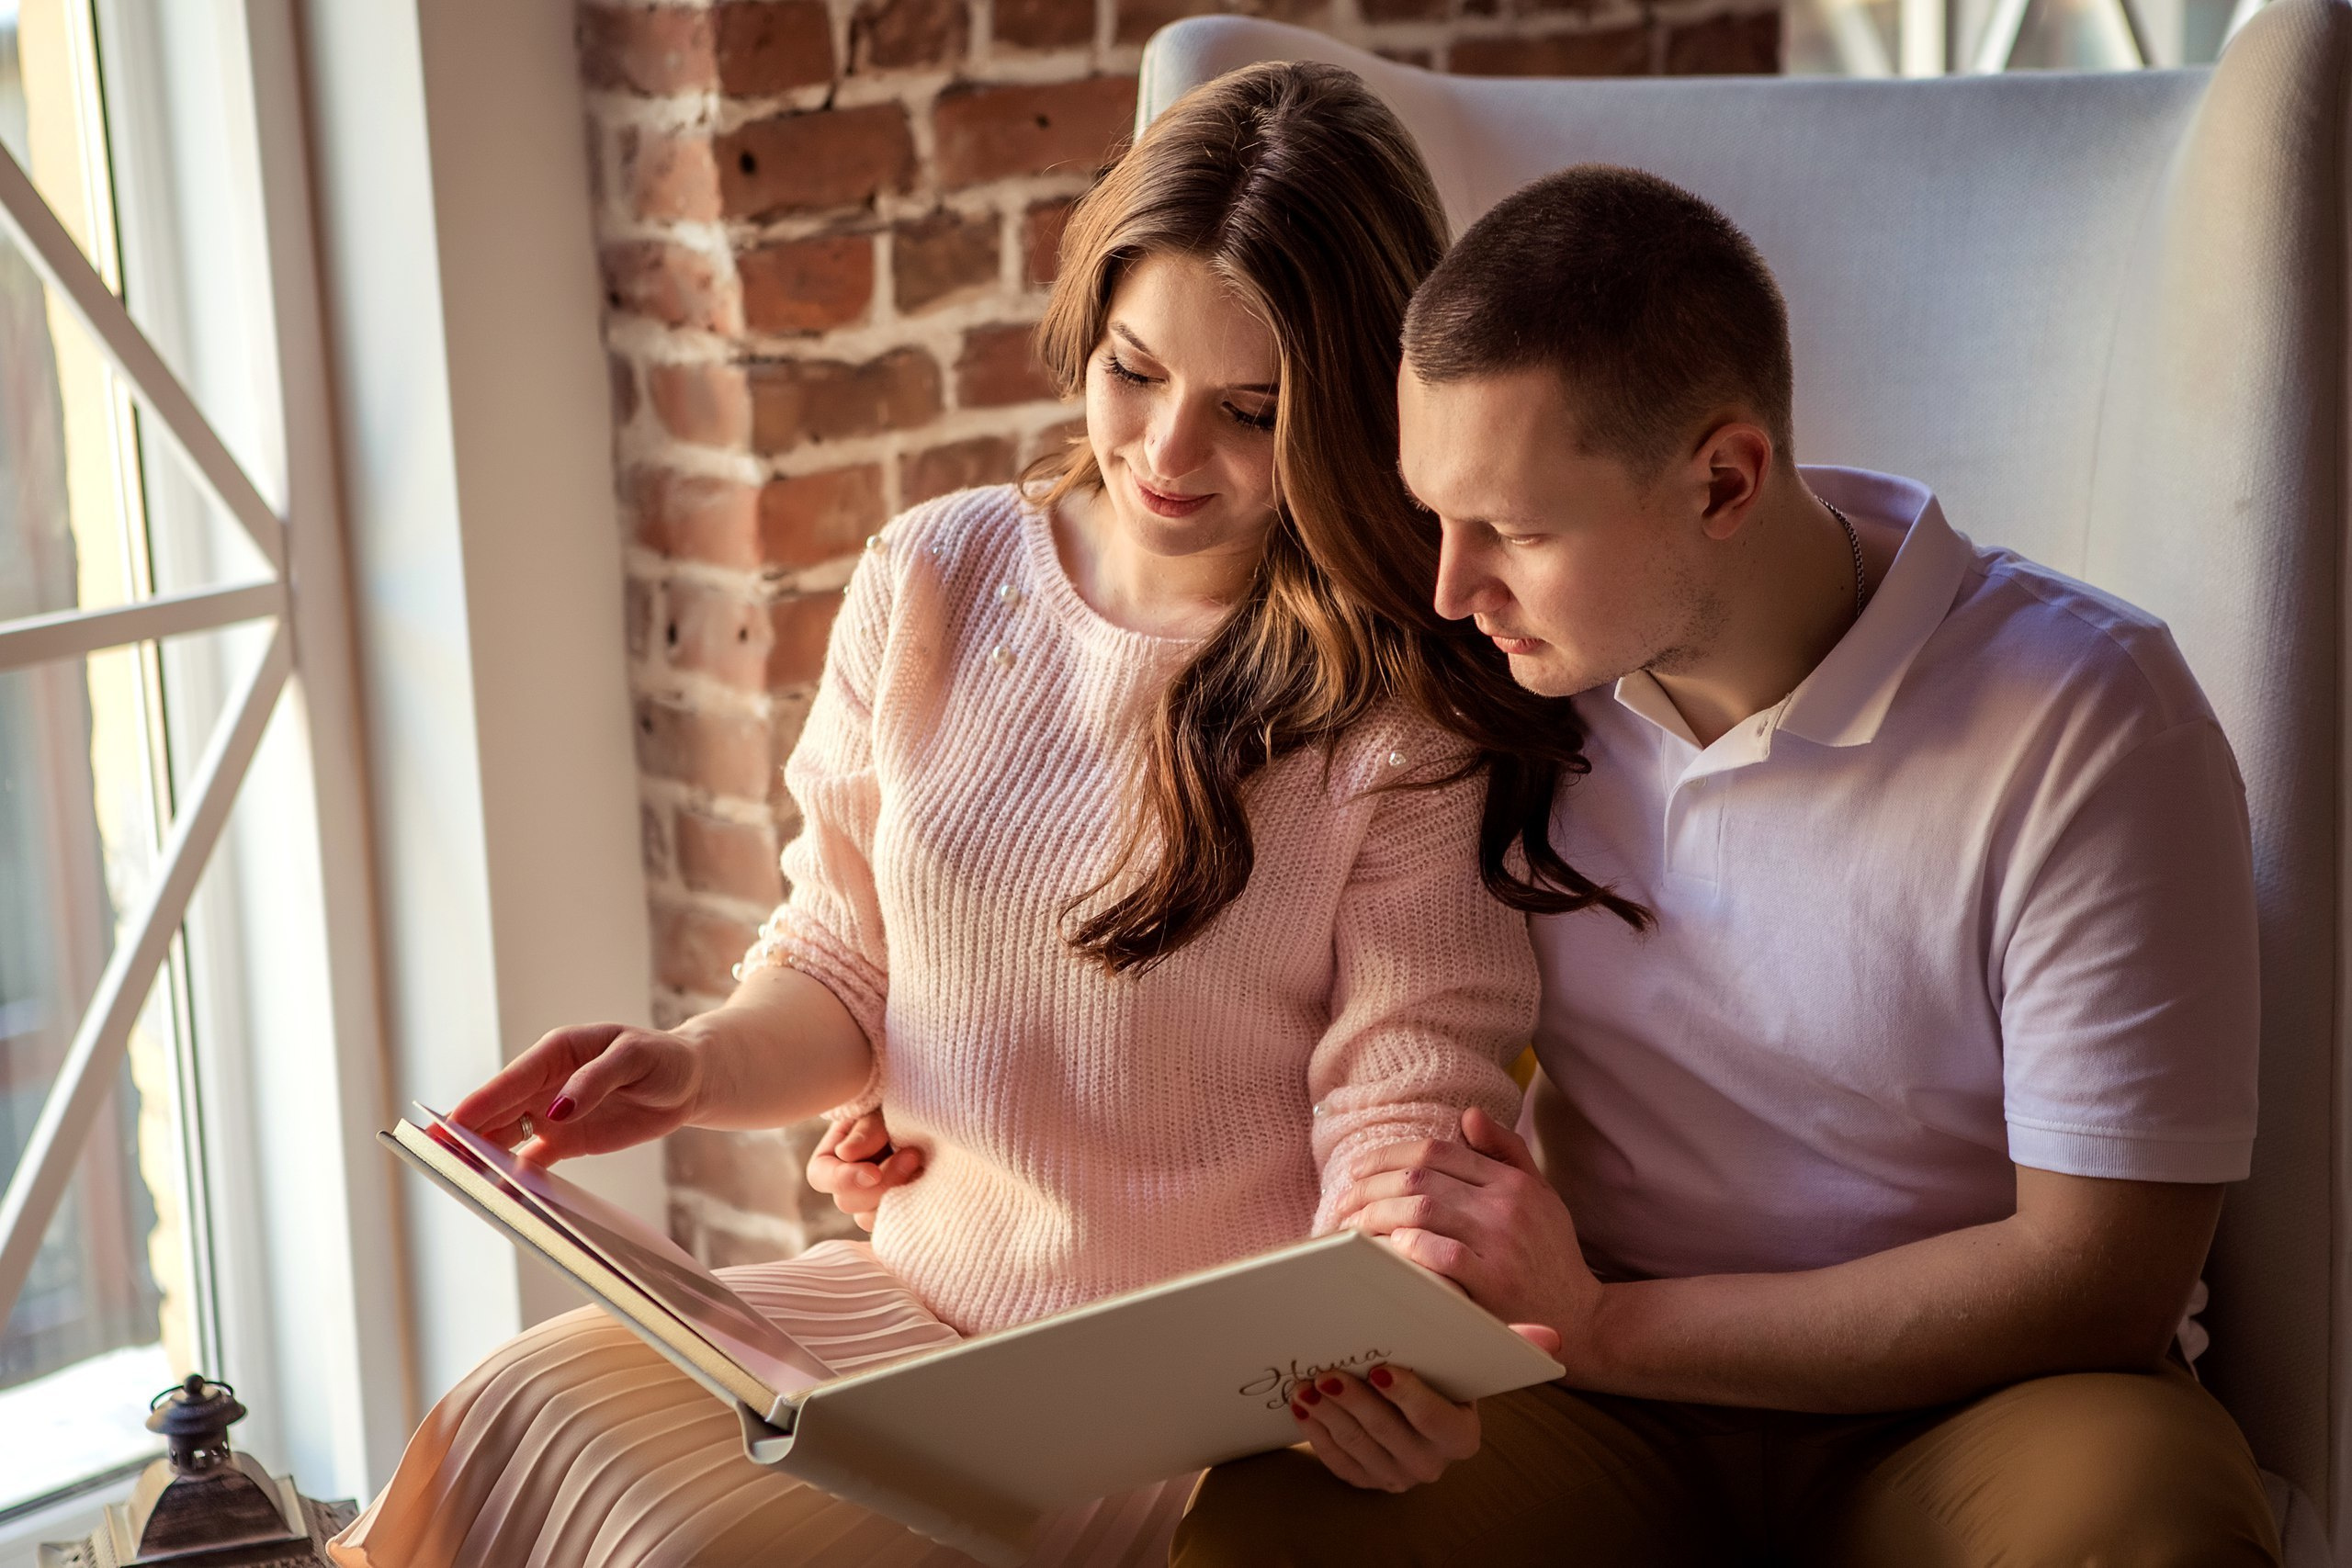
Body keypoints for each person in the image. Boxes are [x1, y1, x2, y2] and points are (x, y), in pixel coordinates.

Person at [328, 63, 1624, 1568]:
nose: (1165, 452)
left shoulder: (1402, 713)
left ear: (1351, 411)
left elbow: (1403, 1101)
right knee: (507, 1412)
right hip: (903, 1321)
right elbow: (842, 962)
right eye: (1133, 370)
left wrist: (1395, 1337)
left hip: (1162, 1407)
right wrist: (687, 1070)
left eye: (1249, 411)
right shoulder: (933, 574)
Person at [1158, 165, 2283, 1563]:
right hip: (1588, 1395)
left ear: (1725, 481)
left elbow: (2102, 1280)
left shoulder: (2090, 717)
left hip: (1991, 1396)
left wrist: (1607, 1326)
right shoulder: (1505, 684)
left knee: (2140, 1540)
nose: (1451, 588)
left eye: (1516, 531)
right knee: (1272, 1533)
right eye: (1436, 514)